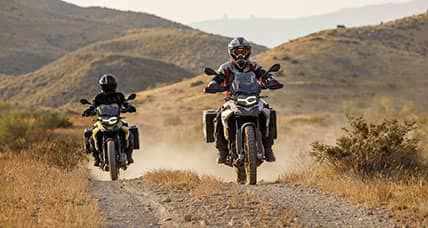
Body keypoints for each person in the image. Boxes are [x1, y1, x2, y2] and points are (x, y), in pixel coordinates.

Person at [204, 37, 283, 164]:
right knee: (219, 116)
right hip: (232, 99)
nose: (241, 54)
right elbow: (217, 78)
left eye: (244, 51)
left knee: (268, 112)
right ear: (231, 52)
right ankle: (222, 151)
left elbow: (264, 75)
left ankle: (268, 148)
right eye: (237, 51)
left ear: (249, 52)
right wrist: (212, 85)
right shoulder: (226, 67)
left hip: (254, 97)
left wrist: (271, 81)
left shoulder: (254, 66)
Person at [82, 74, 136, 166]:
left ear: (114, 86)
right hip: (102, 120)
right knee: (92, 134)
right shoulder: (98, 97)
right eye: (106, 86)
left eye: (110, 86)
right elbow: (93, 106)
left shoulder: (119, 96)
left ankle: (129, 156)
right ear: (102, 86)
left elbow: (125, 103)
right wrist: (88, 111)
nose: (108, 88)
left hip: (116, 119)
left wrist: (129, 107)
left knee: (129, 132)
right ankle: (96, 158)